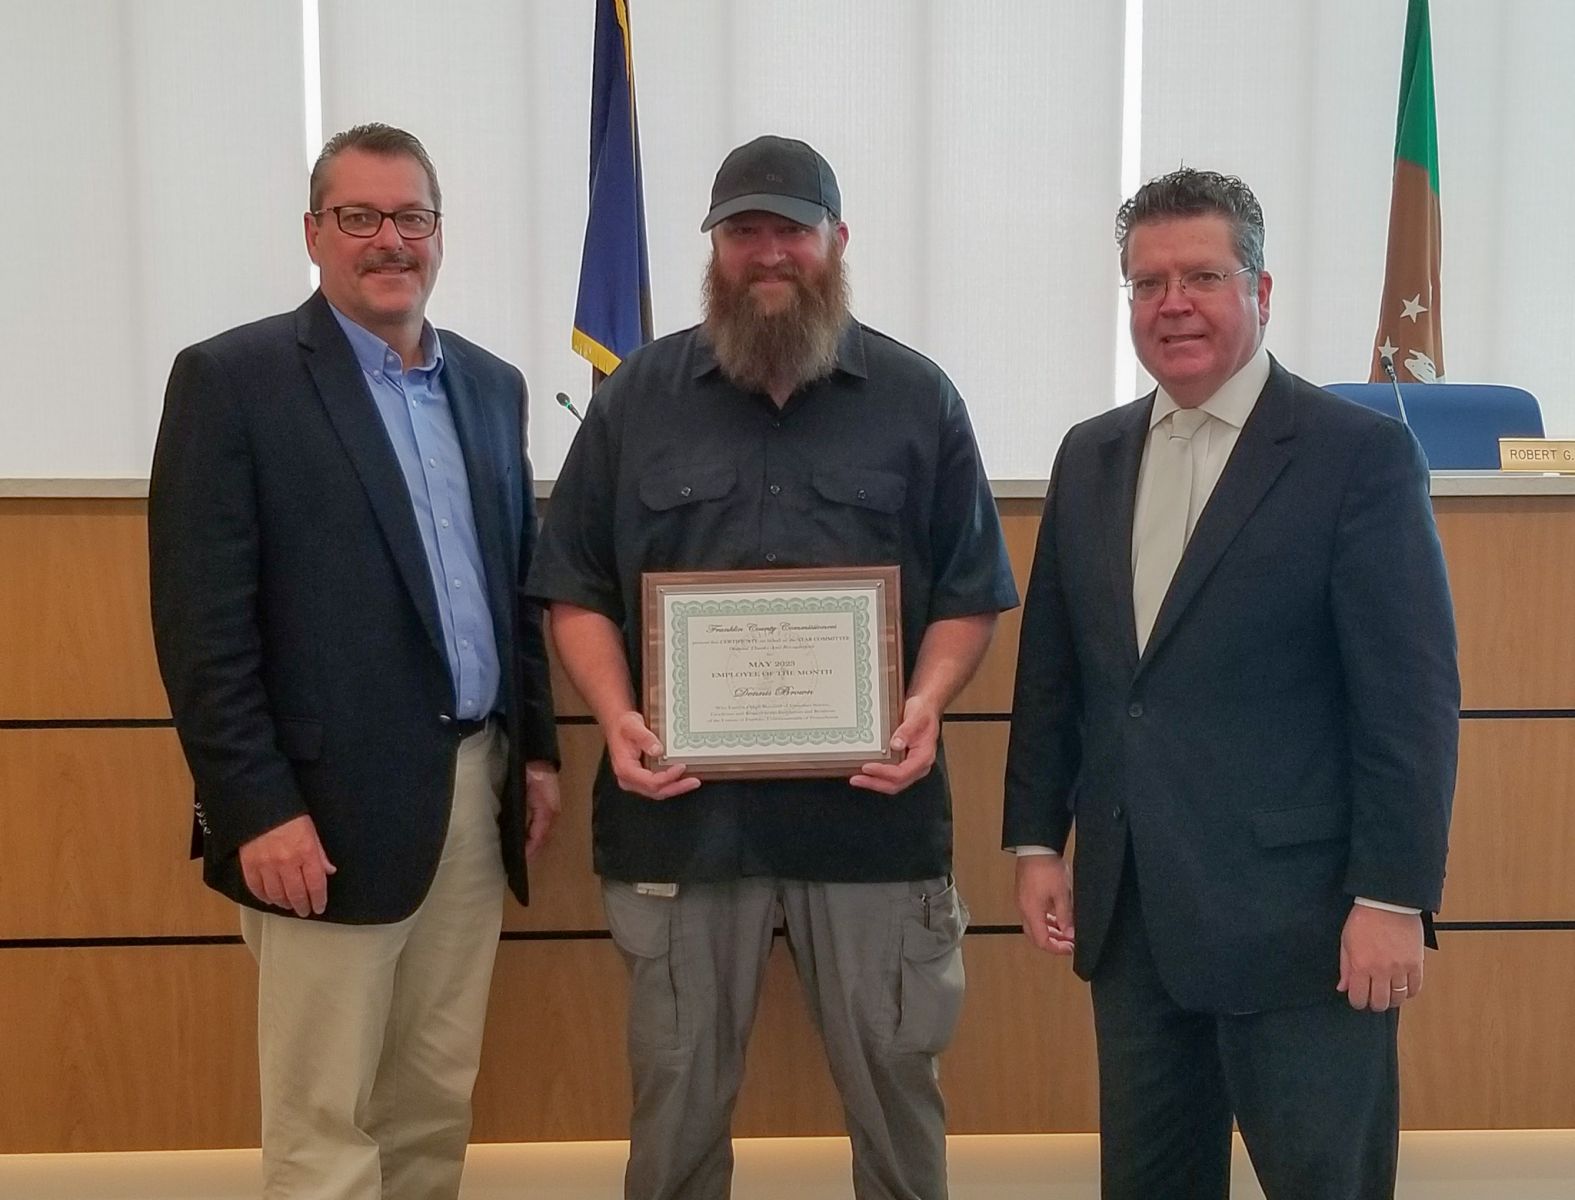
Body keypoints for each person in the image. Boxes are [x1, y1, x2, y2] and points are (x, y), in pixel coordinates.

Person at [528, 134, 1018, 1200]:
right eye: (743, 231)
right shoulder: (636, 398)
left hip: (873, 815)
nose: (767, 253)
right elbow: (572, 590)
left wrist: (927, 702)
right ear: (713, 249)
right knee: (676, 1099)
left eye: (789, 229)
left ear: (837, 241)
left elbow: (972, 592)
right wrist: (615, 719)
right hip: (682, 816)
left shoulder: (917, 397)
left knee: (896, 1088)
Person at [1003, 167, 1459, 1199]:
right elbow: (1057, 672)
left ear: (1260, 292)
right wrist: (1036, 839)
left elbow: (1410, 708)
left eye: (1201, 275)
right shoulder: (1090, 458)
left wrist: (1393, 896)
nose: (1172, 303)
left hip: (1304, 930)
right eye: (1147, 281)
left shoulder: (1360, 460)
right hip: (1134, 924)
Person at [148, 122, 559, 1200]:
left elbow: (518, 592)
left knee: (433, 1095)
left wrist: (540, 758)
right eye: (360, 217)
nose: (390, 241)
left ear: (438, 234)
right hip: (313, 818)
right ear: (314, 234)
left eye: (411, 217)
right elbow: (201, 629)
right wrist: (256, 808)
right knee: (325, 1119)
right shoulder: (232, 382)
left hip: (473, 794)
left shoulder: (492, 386)